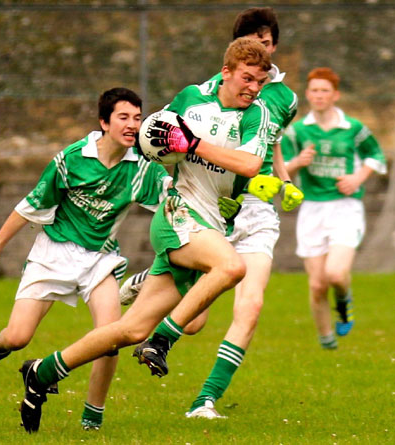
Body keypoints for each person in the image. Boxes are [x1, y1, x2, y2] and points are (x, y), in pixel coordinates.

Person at [15, 36, 274, 433]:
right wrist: (168, 147)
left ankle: (44, 370)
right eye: (247, 78)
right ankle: (163, 341)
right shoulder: (190, 100)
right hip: (178, 214)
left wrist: (194, 145)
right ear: (226, 72)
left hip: (212, 222)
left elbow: (251, 164)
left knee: (130, 329)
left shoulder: (258, 114)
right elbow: (154, 136)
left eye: (260, 81)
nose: (254, 87)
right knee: (232, 266)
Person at [0, 87, 172, 431]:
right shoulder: (71, 159)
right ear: (104, 122)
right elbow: (29, 206)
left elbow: (174, 198)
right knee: (18, 337)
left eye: (138, 117)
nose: (133, 125)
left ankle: (91, 420)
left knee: (111, 339)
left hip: (100, 260)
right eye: (124, 117)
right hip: (53, 253)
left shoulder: (142, 167)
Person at [123, 7, 304, 419]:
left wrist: (285, 178)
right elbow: (168, 137)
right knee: (194, 323)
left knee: (251, 305)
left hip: (256, 209)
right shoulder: (209, 91)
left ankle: (205, 400)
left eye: (269, 42)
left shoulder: (284, 98)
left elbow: (269, 140)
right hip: (210, 203)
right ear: (236, 55)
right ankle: (149, 280)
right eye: (255, 42)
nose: (264, 50)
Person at [281, 67, 387, 349]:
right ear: (307, 94)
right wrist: (297, 163)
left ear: (335, 95)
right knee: (317, 285)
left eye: (325, 90)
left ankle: (344, 299)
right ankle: (327, 341)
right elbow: (279, 166)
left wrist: (357, 178)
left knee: (336, 274)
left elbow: (375, 156)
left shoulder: (352, 128)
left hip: (345, 208)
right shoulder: (298, 131)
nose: (319, 95)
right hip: (312, 209)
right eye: (314, 90)